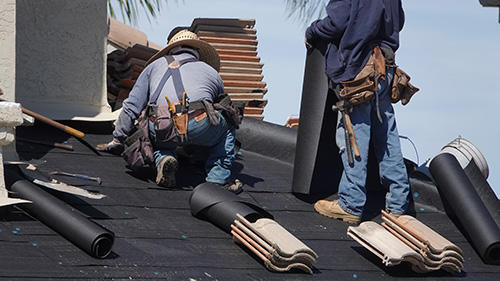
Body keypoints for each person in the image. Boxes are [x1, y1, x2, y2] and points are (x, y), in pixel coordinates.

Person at [97, 29, 242, 193]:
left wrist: (118, 139)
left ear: (171, 49)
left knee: (155, 136)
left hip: (161, 125)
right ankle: (218, 179)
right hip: (198, 122)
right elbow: (221, 108)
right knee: (228, 124)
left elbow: (131, 105)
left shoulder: (154, 66)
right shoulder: (211, 72)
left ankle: (165, 158)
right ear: (197, 52)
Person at [305, 0, 410, 224]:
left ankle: (350, 203)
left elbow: (336, 23)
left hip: (360, 69)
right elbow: (398, 22)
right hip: (384, 67)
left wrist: (312, 30)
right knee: (387, 135)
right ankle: (398, 205)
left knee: (352, 133)